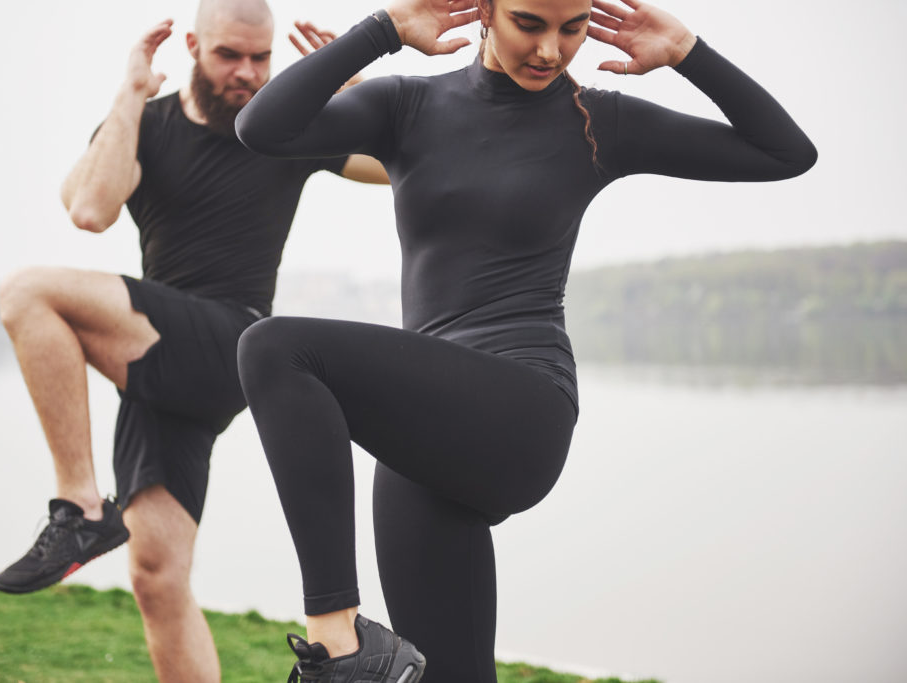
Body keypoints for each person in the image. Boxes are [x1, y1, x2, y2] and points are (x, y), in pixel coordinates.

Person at [233, 0, 817, 680]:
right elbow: (260, 128)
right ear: (483, 10)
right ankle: (357, 653)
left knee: (274, 347)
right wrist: (382, 31)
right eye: (530, 24)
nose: (550, 51)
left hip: (520, 408)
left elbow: (785, 153)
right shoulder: (405, 107)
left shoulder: (601, 122)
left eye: (571, 29)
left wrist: (687, 51)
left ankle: (336, 641)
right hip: (425, 434)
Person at [0, 0, 387, 680]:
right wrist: (131, 91)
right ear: (195, 49)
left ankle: (80, 506)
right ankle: (91, 517)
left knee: (29, 292)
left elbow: (394, 170)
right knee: (157, 576)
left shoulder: (283, 129)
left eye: (261, 57)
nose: (249, 71)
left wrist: (363, 102)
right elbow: (90, 208)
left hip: (231, 341)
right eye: (231, 55)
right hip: (158, 361)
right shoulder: (143, 124)